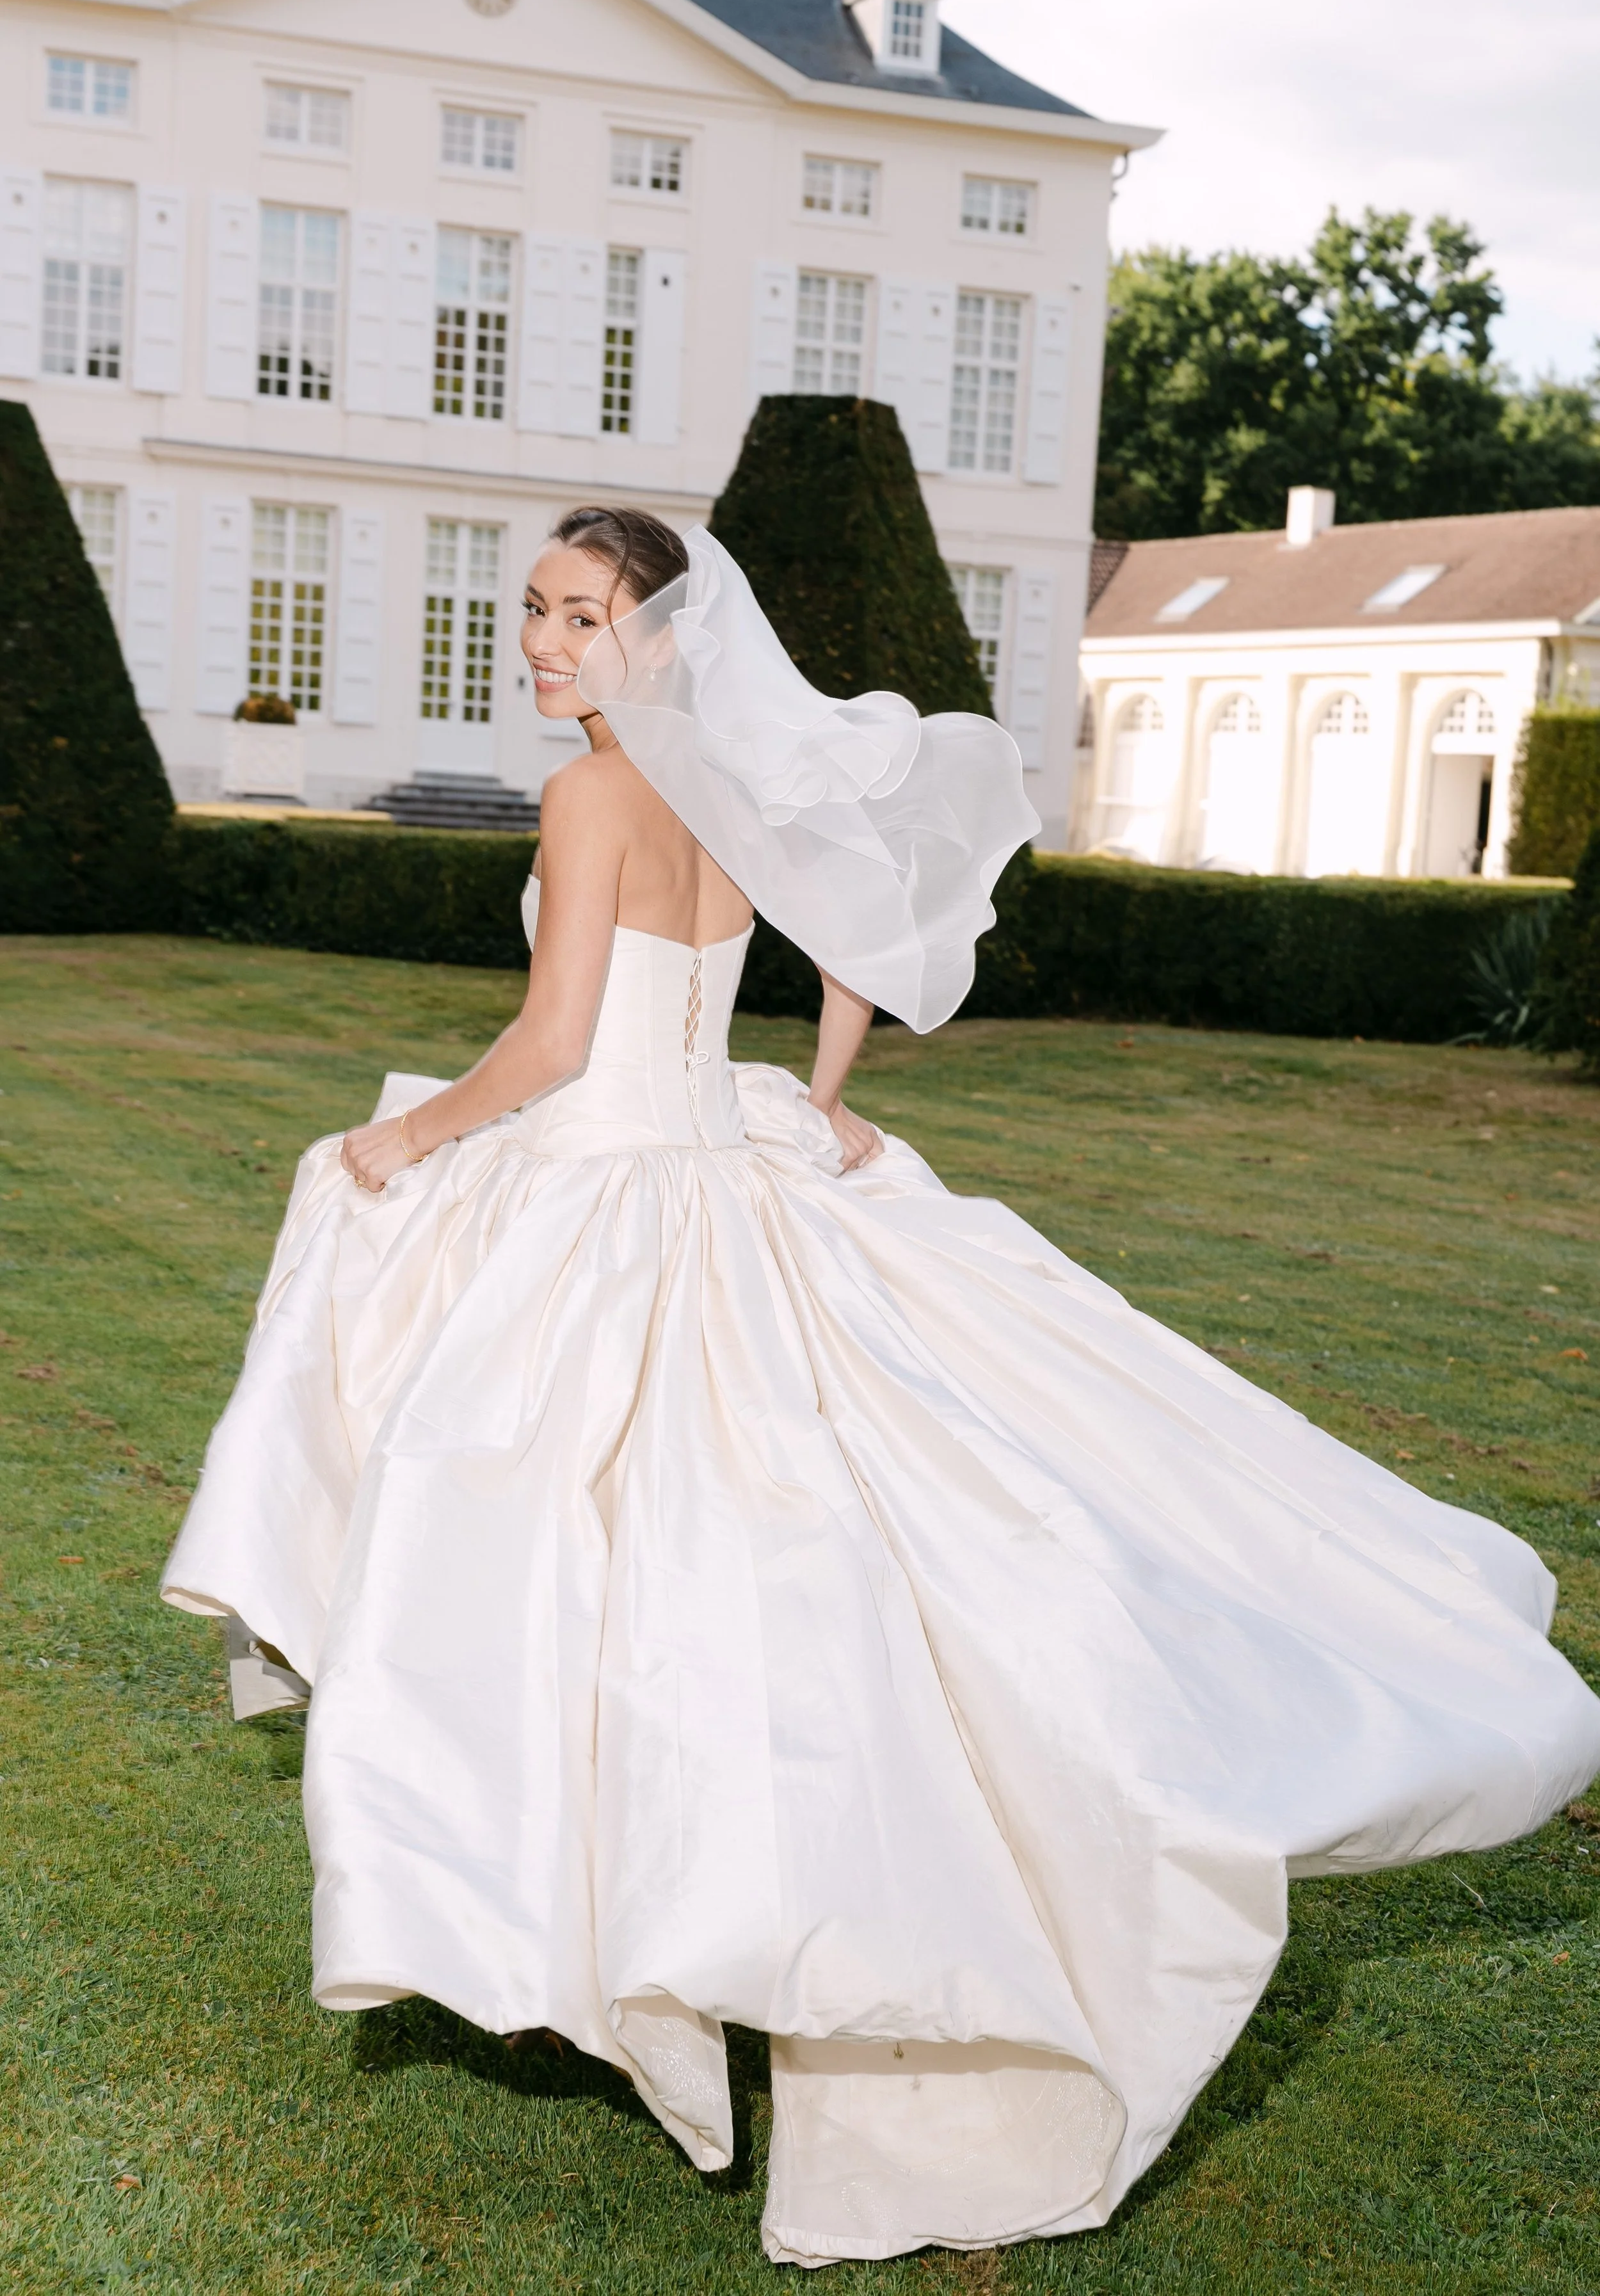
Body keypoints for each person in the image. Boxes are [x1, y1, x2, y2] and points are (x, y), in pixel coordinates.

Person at [163, 506, 1600, 2270]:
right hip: (720, 1151)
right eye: (529, 611)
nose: (539, 643)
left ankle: (606, 1913)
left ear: (660, 636)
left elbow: (547, 1045)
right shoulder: (720, 782)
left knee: (562, 1547)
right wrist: (823, 1086)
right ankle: (691, 1925)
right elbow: (860, 930)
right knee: (730, 1553)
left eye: (578, 616)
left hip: (612, 1181)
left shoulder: (597, 794)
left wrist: (395, 1135)